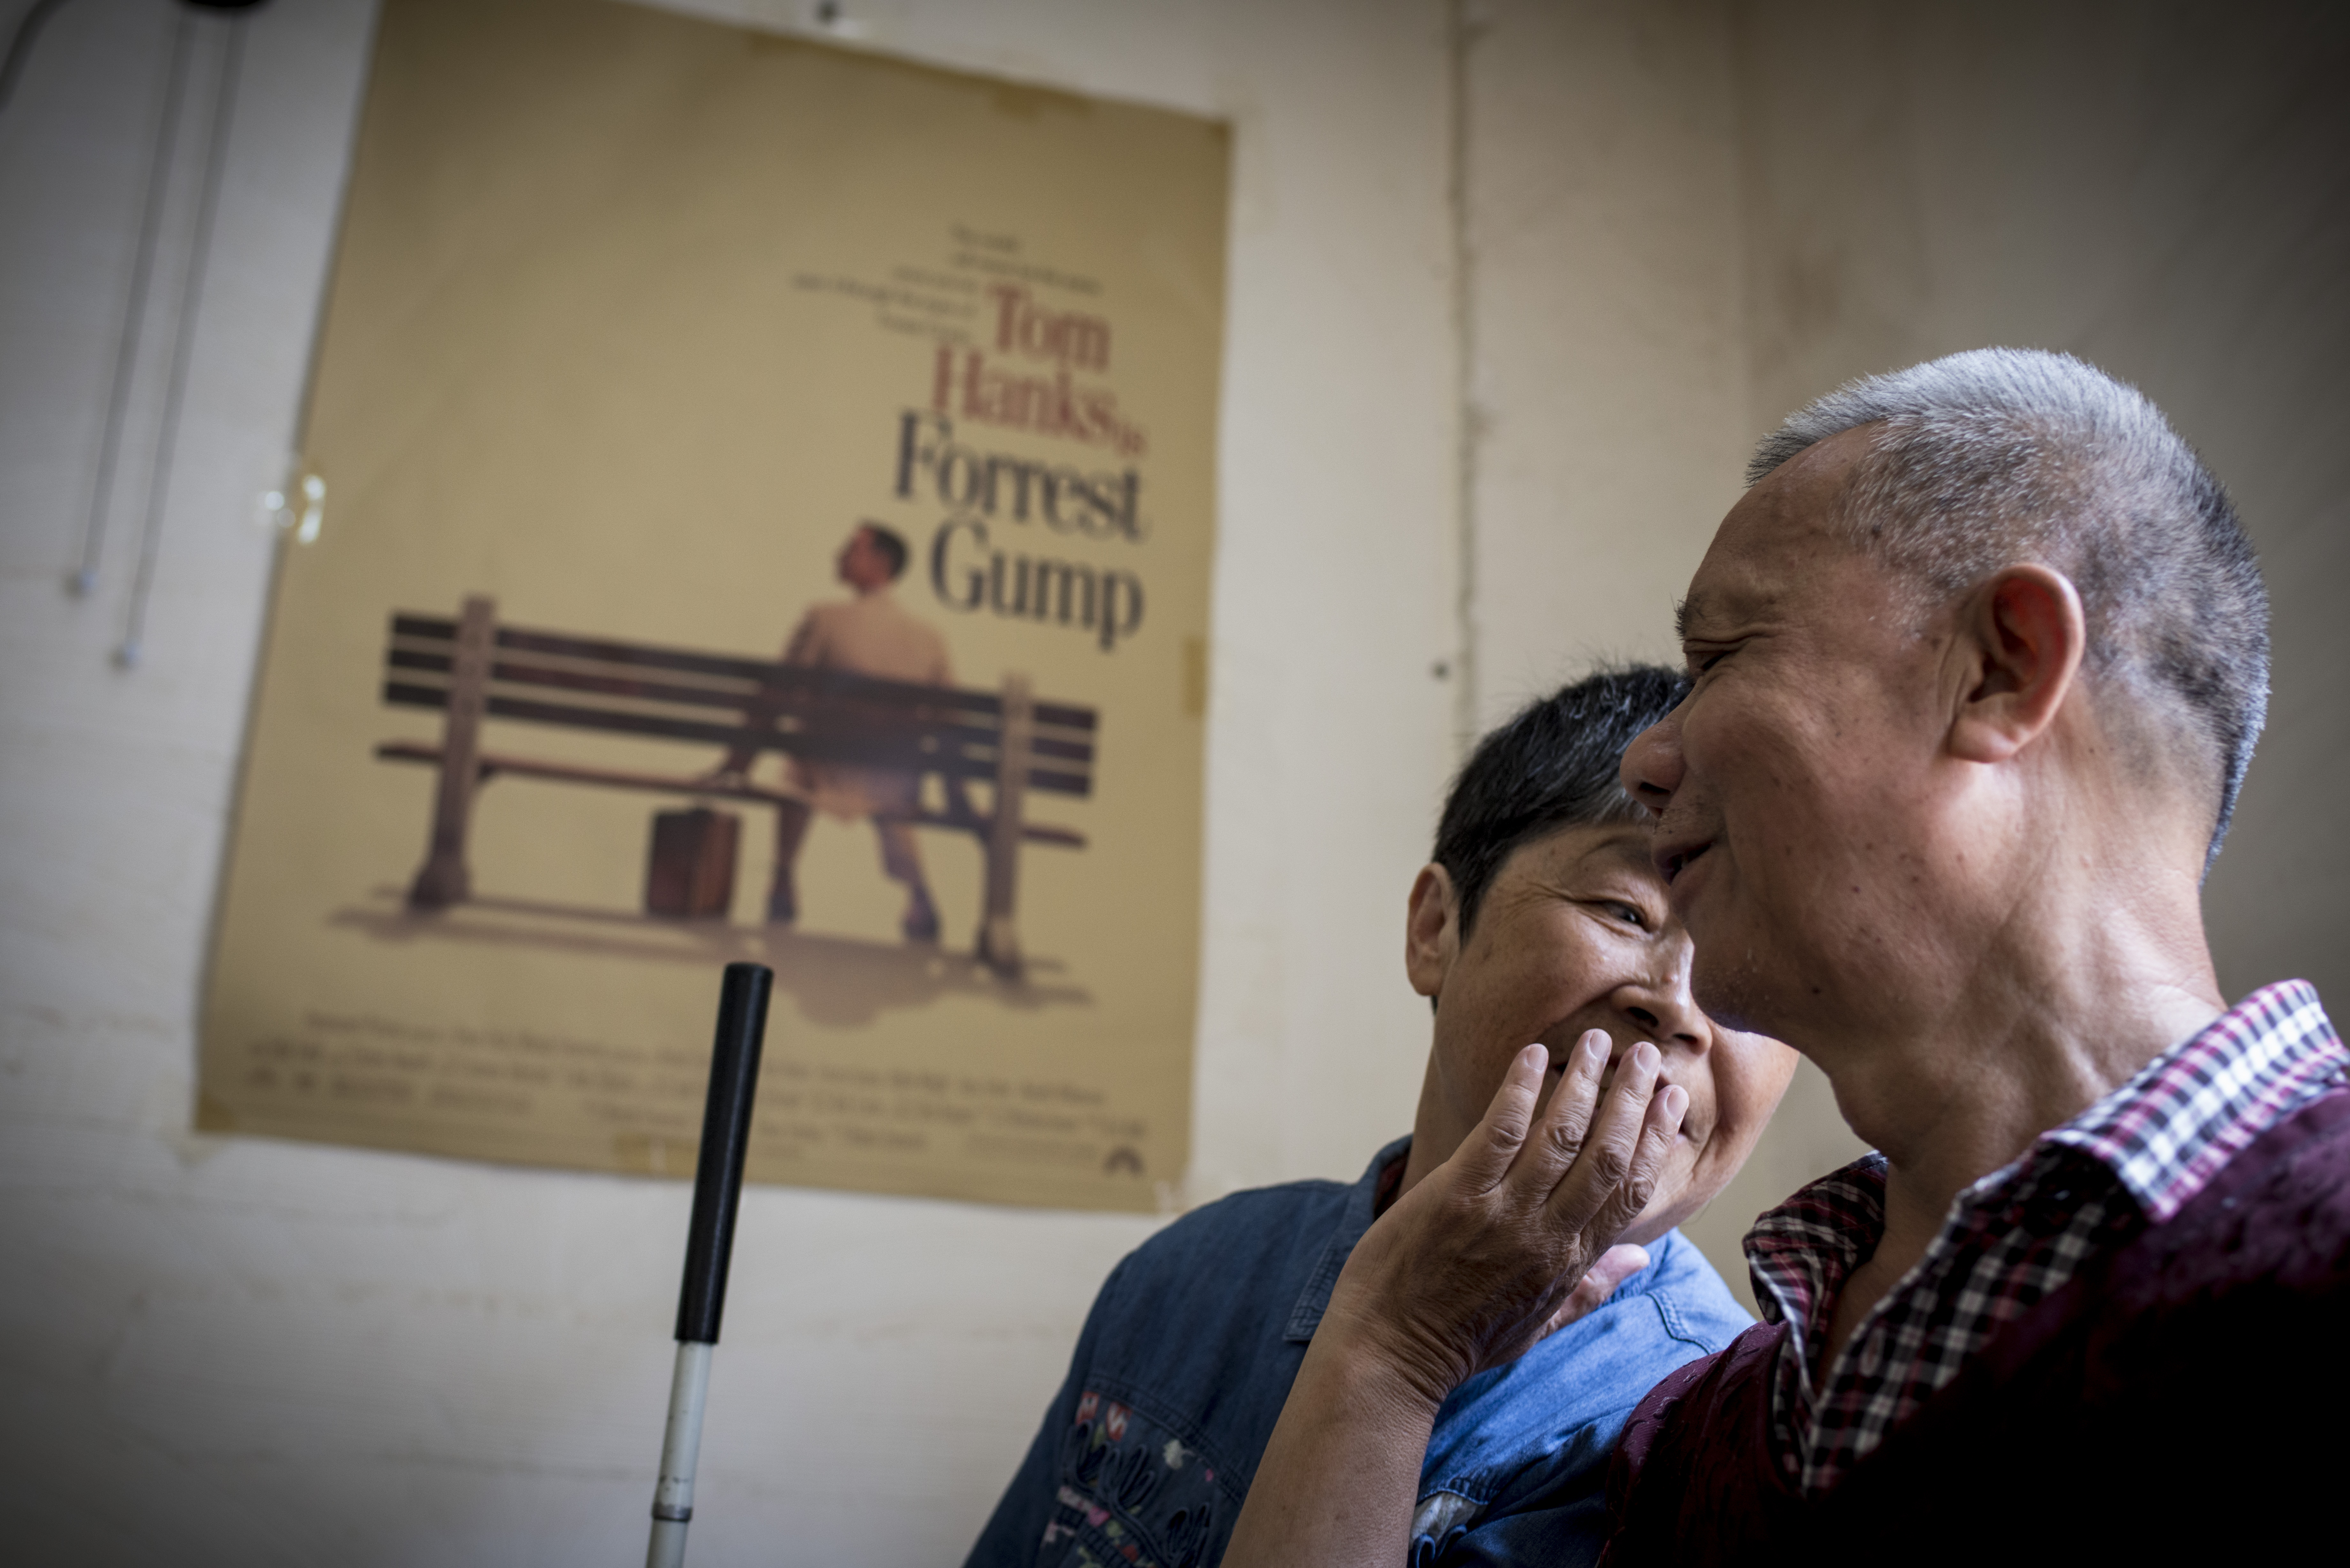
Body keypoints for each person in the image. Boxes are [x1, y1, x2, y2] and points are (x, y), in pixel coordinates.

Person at [1220, 348, 2346, 1567]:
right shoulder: (1705, 1439)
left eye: (1721, 659)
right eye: (1612, 911)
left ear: (2002, 667)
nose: (1650, 761)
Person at [964, 667, 1799, 1568]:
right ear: (1436, 929)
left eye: (1747, 951)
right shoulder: (1188, 1273)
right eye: (1623, 910)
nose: (1676, 1003)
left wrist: (1400, 1350)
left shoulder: (1709, 1434)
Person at [708, 521, 959, 941]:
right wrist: (958, 796)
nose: (839, 557)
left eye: (851, 550)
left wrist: (737, 764)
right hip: (892, 780)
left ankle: (783, 877)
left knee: (800, 764)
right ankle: (920, 892)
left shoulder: (824, 619)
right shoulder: (929, 637)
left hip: (822, 769)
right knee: (888, 777)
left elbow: (774, 697)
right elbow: (953, 724)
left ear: (881, 563)